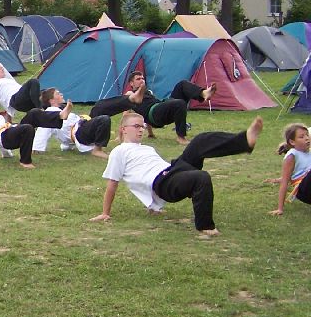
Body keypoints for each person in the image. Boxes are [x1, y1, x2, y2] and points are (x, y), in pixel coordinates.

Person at [90, 111, 262, 236]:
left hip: (172, 170)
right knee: (201, 177)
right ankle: (205, 226)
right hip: (164, 184)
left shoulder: (147, 148)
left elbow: (145, 173)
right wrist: (106, 212)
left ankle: (245, 141)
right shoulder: (119, 151)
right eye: (136, 126)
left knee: (200, 141)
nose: (141, 130)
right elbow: (112, 183)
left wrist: (153, 206)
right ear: (123, 129)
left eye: (143, 126)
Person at [90, 71, 217, 145]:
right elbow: (125, 117)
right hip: (155, 115)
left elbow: (144, 116)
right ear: (131, 83)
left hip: (161, 107)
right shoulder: (130, 95)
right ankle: (181, 137)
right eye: (138, 79)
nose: (142, 80)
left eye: (142, 78)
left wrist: (150, 134)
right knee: (179, 103)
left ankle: (203, 93)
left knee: (182, 84)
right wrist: (120, 136)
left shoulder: (148, 92)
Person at [31, 88, 111, 159]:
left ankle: (98, 148)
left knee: (101, 117)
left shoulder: (60, 109)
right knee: (104, 119)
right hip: (79, 133)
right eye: (58, 94)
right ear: (51, 100)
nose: (61, 94)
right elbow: (43, 128)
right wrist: (37, 147)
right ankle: (97, 151)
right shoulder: (50, 112)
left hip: (81, 129)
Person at [268, 123, 311, 215]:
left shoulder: (309, 152)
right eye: (301, 137)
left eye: (307, 135)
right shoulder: (292, 155)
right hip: (303, 191)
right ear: (292, 142)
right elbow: (285, 182)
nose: (307, 138)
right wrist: (280, 209)